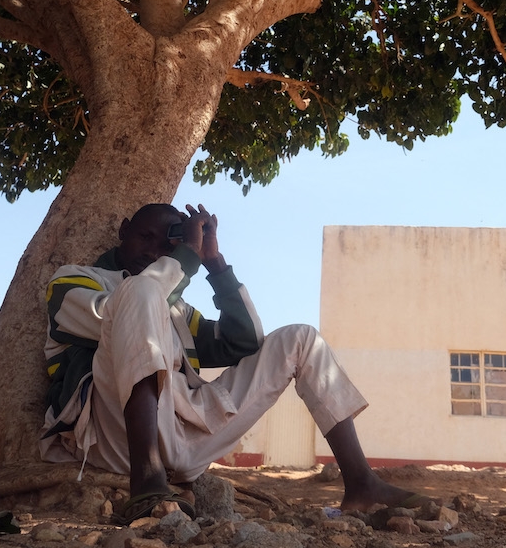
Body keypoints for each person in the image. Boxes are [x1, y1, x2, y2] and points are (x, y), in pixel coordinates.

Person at [41, 202, 423, 522]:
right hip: (113, 437)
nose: (154, 252)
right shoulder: (74, 280)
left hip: (185, 437)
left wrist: (214, 264)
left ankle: (361, 484)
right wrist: (183, 260)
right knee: (141, 289)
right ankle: (146, 482)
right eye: (145, 237)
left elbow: (245, 340)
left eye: (167, 245)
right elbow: (119, 310)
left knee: (300, 337)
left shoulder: (176, 309)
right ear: (123, 231)